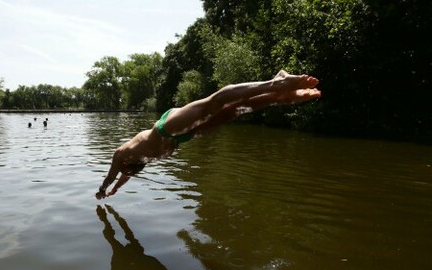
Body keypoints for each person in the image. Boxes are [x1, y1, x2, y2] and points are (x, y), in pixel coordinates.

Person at [96, 70, 321, 199]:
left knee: (215, 103)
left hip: (166, 127)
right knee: (232, 112)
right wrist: (115, 190)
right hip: (181, 137)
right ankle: (278, 97)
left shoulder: (121, 154)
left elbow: (112, 174)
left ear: (124, 163)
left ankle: (276, 84)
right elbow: (123, 177)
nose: (123, 173)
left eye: (123, 171)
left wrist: (102, 189)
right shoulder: (134, 163)